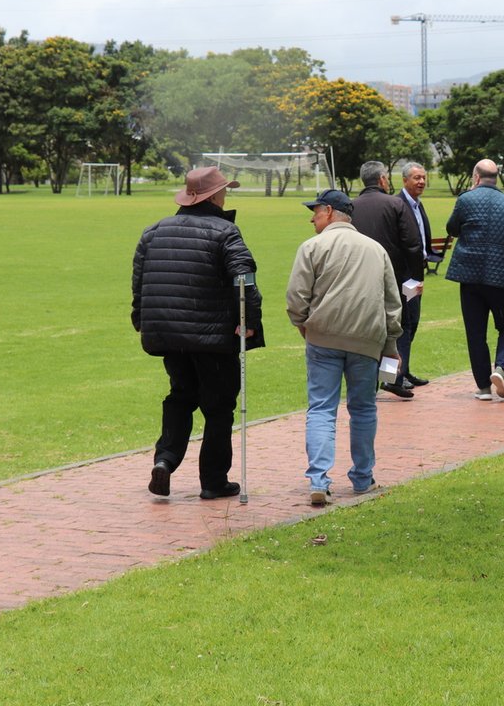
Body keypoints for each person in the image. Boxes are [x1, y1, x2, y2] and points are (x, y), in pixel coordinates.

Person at [132, 166, 263, 500]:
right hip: (213, 338)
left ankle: (165, 459)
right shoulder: (225, 232)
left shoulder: (153, 231)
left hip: (167, 334)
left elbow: (139, 283)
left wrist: (141, 321)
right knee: (219, 407)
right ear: (215, 196)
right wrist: (249, 322)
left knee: (181, 396)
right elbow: (244, 280)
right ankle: (213, 481)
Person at [286, 189, 403, 506]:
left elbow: (296, 299)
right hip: (367, 341)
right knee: (363, 408)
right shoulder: (376, 249)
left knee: (321, 409)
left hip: (322, 338)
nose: (312, 218)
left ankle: (319, 481)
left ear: (328, 211)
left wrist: (304, 327)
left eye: (314, 211)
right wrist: (391, 344)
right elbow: (392, 303)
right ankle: (363, 478)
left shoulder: (312, 247)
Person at [444, 159, 504, 401]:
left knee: (475, 332)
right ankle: (501, 368)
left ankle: (483, 387)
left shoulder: (465, 199)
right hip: (502, 278)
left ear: (475, 177)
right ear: (497, 177)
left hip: (469, 277)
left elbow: (452, 228)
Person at [351, 160, 424, 399]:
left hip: (359, 282)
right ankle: (391, 378)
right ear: (383, 179)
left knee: (365, 332)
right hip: (394, 281)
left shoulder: (350, 207)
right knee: (397, 330)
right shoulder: (395, 204)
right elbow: (413, 245)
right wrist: (416, 278)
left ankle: (368, 384)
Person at [396, 161, 434, 389]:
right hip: (403, 276)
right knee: (402, 326)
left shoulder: (418, 205)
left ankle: (404, 371)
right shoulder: (397, 204)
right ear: (404, 180)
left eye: (423, 177)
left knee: (412, 322)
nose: (421, 181)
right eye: (416, 178)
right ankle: (393, 377)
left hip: (415, 275)